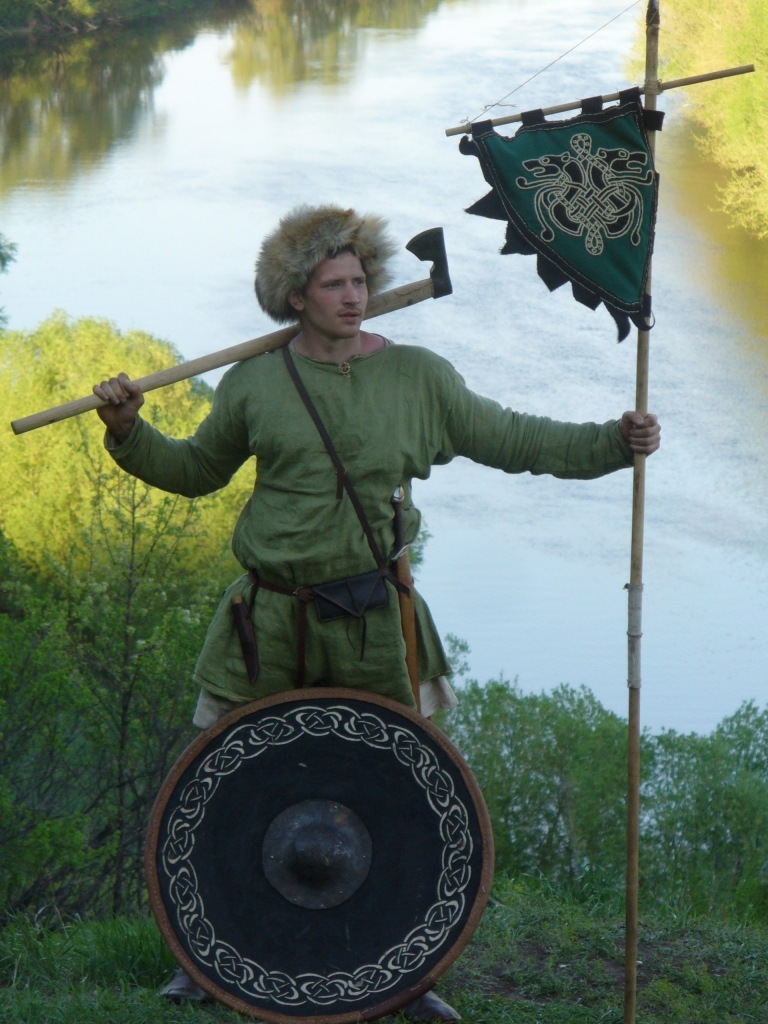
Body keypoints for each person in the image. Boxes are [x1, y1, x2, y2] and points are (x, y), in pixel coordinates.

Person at [94, 204, 661, 1019]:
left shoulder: (418, 379)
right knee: (228, 788)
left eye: (360, 280)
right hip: (268, 621)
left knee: (399, 793)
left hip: (371, 623)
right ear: (296, 296)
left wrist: (613, 442)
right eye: (333, 284)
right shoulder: (256, 381)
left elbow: (514, 440)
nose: (353, 296)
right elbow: (193, 473)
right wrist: (127, 431)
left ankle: (408, 974)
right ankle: (203, 957)